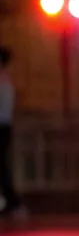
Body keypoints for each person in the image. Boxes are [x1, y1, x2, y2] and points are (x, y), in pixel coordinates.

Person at [0, 47, 25, 220]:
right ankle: (11, 203)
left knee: (1, 166)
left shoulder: (3, 80)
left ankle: (13, 203)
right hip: (5, 126)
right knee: (1, 166)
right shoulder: (7, 79)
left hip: (2, 126)